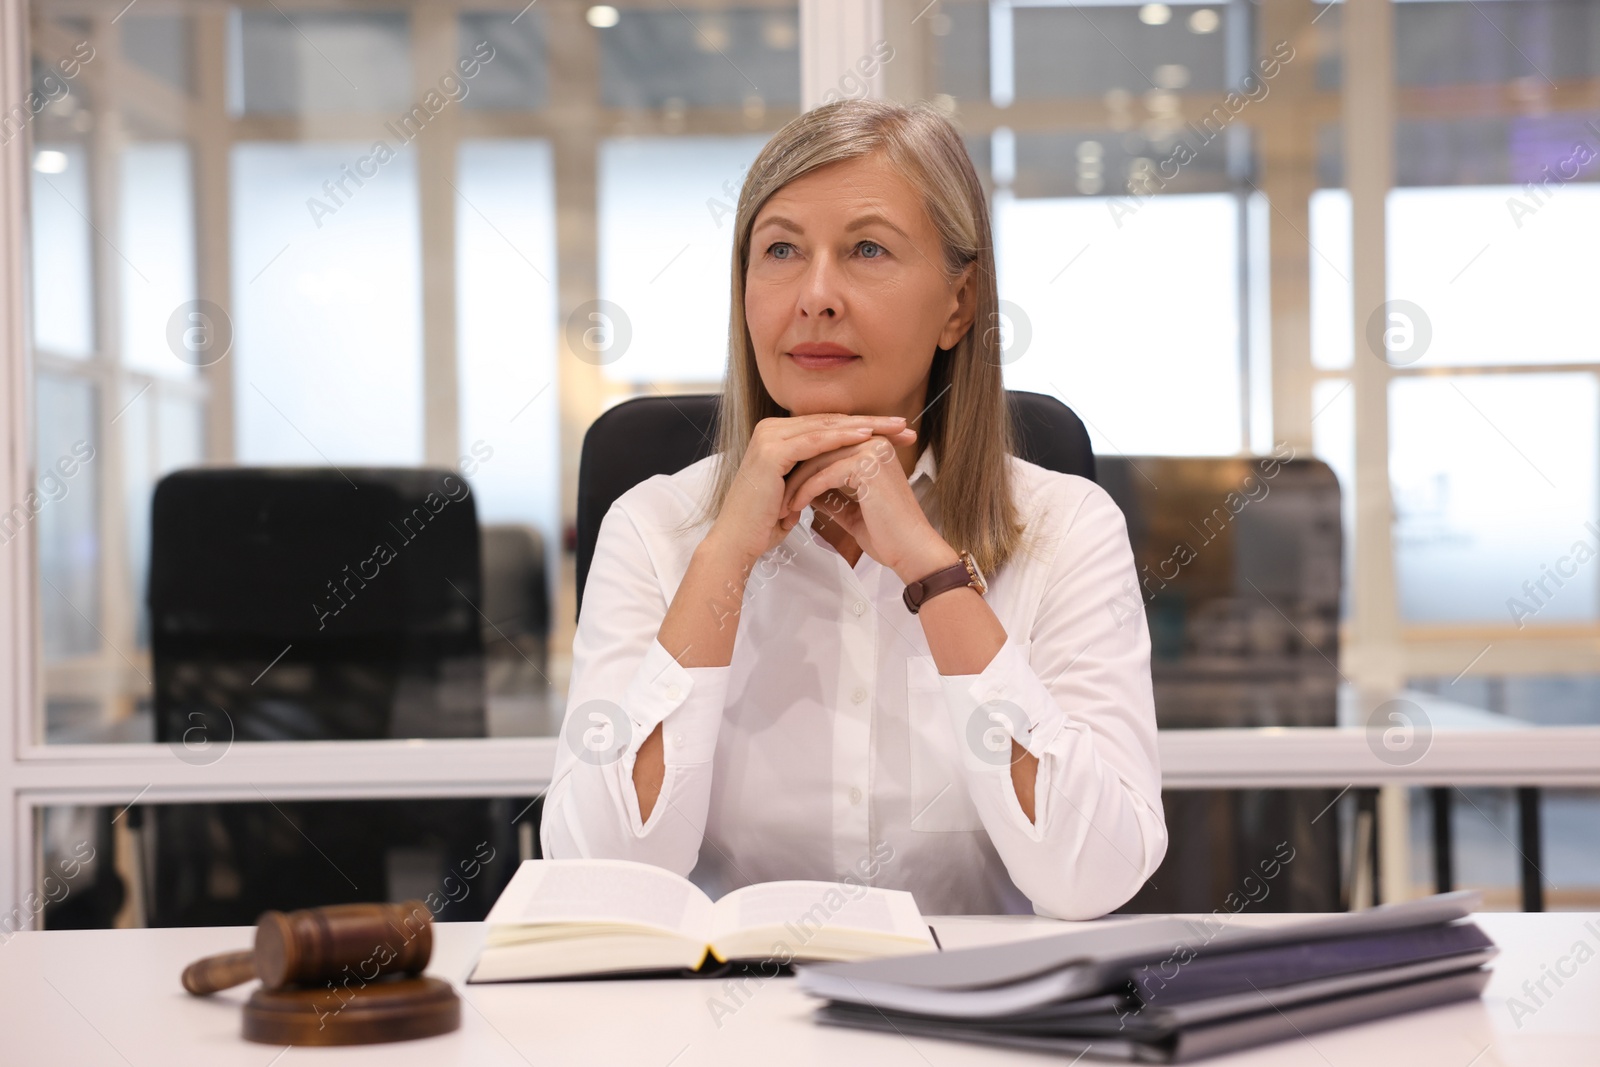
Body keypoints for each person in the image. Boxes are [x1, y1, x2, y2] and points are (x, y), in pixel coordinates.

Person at [541, 99, 1165, 919]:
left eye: (867, 248)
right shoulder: (654, 527)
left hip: (978, 1030)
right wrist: (722, 560)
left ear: (959, 303)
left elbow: (1097, 874)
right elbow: (602, 878)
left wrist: (935, 575)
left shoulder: (1066, 525)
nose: (817, 294)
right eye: (781, 251)